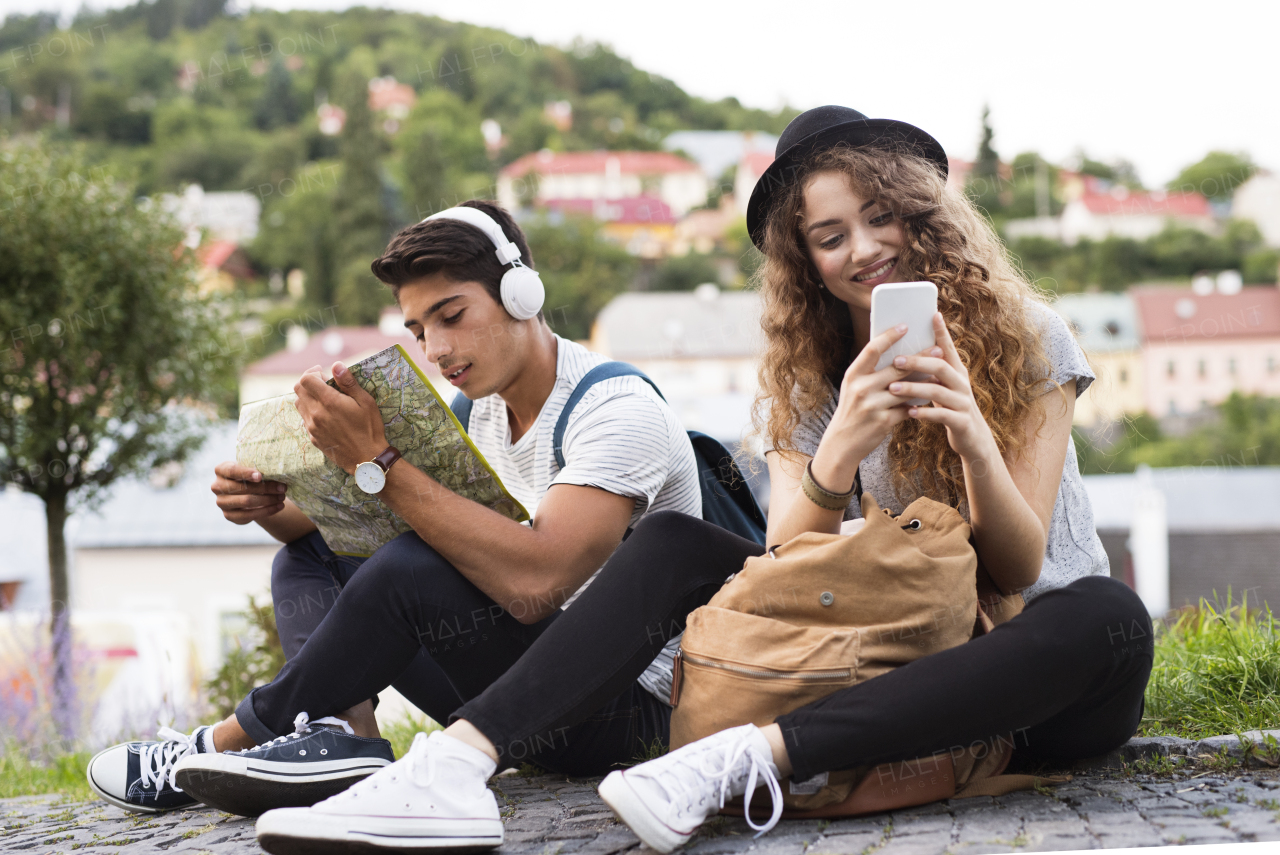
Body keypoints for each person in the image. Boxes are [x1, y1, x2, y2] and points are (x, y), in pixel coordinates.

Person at [246, 107, 1153, 854]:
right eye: (830, 237)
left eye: (884, 217)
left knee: (1107, 617)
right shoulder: (812, 378)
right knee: (676, 541)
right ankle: (452, 767)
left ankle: (742, 760)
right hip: (900, 645)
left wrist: (969, 437)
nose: (865, 249)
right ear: (806, 261)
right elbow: (790, 563)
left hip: (1031, 675)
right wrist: (839, 448)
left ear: (925, 214)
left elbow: (1022, 567)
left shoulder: (1029, 336)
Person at [84, 200, 702, 815]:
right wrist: (267, 503)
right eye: (418, 331)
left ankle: (223, 739)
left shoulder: (615, 410)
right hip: (521, 693)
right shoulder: (477, 412)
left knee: (411, 563)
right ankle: (338, 737)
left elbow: (537, 582)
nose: (435, 349)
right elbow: (332, 535)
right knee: (317, 550)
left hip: (627, 713)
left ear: (521, 294)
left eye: (451, 316)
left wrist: (379, 462)